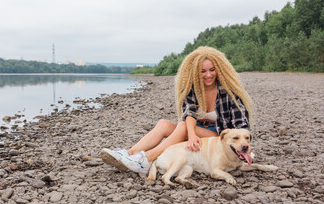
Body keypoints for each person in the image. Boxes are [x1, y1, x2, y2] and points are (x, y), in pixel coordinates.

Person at [100, 46, 254, 174]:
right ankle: (129, 154)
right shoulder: (193, 89)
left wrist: (242, 149)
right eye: (202, 71)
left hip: (218, 137)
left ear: (219, 69)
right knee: (164, 124)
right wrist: (192, 135)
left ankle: (146, 159)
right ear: (195, 72)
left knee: (181, 127)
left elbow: (241, 127)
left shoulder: (229, 93)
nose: (208, 75)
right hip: (196, 132)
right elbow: (189, 114)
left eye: (212, 70)